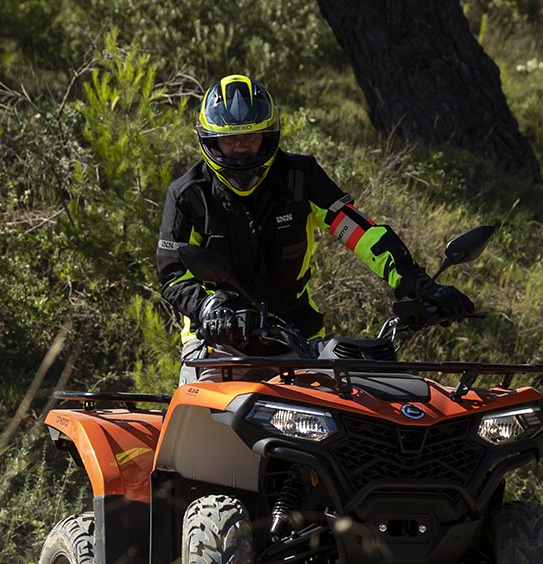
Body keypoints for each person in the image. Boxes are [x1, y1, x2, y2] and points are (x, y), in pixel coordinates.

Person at [156, 74, 474, 385]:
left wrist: (417, 282)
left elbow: (361, 234)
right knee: (204, 423)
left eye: (250, 137)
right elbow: (172, 273)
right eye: (230, 139)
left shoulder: (300, 177)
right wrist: (207, 307)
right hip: (216, 342)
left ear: (267, 137)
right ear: (212, 141)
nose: (241, 148)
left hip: (297, 337)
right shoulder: (188, 194)